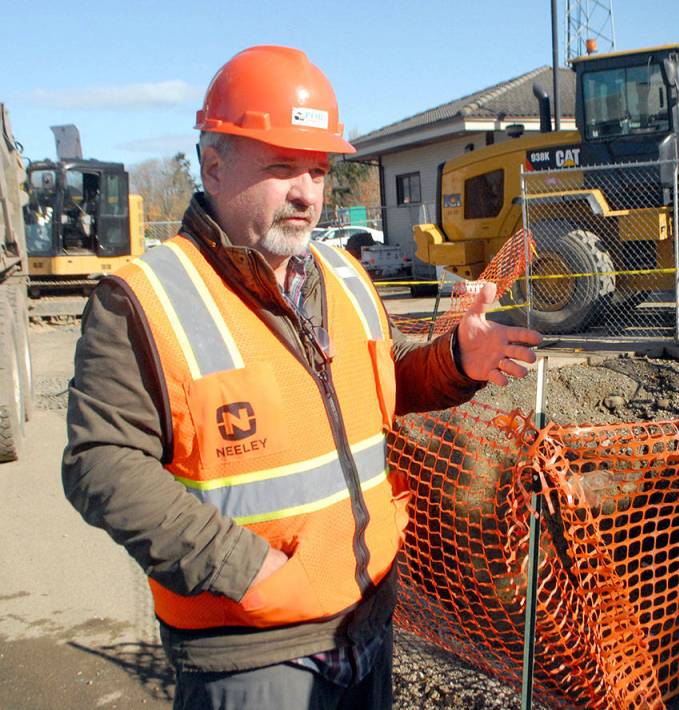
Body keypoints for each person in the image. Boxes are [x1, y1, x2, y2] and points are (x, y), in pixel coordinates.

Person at [61, 45, 542, 710]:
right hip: (253, 651)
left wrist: (456, 358)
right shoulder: (144, 298)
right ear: (214, 165)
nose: (307, 193)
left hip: (369, 616)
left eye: (317, 170)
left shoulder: (342, 277)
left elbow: (386, 380)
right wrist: (249, 572)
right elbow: (101, 464)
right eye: (283, 166)